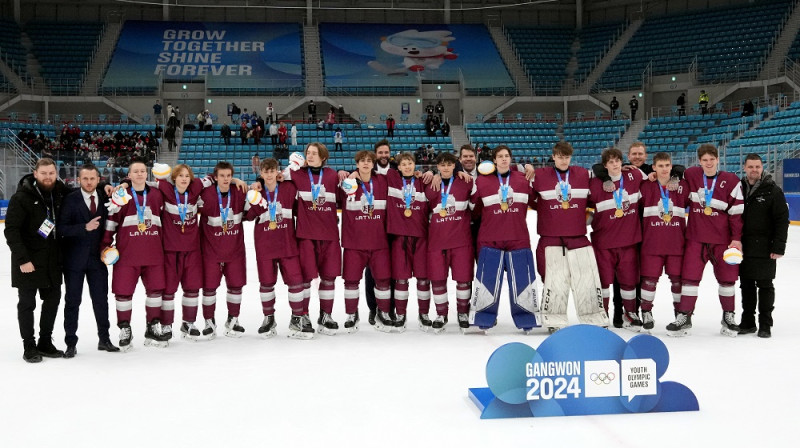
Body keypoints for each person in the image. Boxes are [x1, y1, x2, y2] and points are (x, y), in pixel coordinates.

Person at [667, 144, 743, 337]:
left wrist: (736, 239)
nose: (708, 163)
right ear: (699, 161)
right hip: (696, 238)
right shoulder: (692, 175)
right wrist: (676, 174)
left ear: (718, 159)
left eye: (712, 159)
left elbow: (736, 214)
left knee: (727, 280)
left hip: (722, 241)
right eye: (704, 160)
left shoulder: (731, 180)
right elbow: (675, 176)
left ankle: (728, 315)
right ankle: (685, 315)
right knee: (690, 279)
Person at [531, 142, 606, 332]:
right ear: (553, 156)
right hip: (550, 237)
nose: (563, 160)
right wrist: (526, 167)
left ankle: (593, 318)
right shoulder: (540, 175)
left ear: (571, 157)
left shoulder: (582, 174)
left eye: (567, 157)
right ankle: (554, 320)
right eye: (560, 156)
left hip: (577, 236)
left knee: (586, 278)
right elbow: (515, 178)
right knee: (552, 279)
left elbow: (604, 172)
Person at [5, 158, 69, 362]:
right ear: (35, 174)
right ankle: (29, 346)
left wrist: (113, 186)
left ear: (56, 173)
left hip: (52, 260)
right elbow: (11, 231)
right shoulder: (21, 197)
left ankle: (45, 342)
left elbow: (87, 188)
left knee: (52, 301)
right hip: (28, 261)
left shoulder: (61, 192)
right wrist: (22, 259)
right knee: (27, 303)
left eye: (51, 173)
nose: (48, 177)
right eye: (44, 173)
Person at [102, 159, 169, 351]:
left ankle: (153, 326)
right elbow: (112, 221)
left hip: (154, 253)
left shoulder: (157, 194)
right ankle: (125, 328)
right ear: (129, 176)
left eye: (142, 171)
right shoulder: (121, 195)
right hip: (127, 254)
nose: (140, 174)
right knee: (123, 293)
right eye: (135, 171)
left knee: (156, 291)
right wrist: (105, 245)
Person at [470, 145, 538, 333]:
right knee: (488, 280)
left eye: (507, 156)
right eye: (500, 156)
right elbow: (473, 209)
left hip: (518, 237)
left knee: (523, 281)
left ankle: (526, 319)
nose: (504, 159)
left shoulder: (523, 179)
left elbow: (538, 201)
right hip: (490, 238)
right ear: (493, 160)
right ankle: (484, 318)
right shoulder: (482, 181)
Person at [247, 158, 313, 338]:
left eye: (272, 171)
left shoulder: (289, 188)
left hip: (288, 245)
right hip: (265, 247)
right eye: (265, 172)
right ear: (261, 173)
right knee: (266, 284)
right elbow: (247, 216)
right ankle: (269, 318)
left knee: (296, 283)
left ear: (277, 171)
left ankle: (297, 317)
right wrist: (253, 198)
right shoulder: (256, 193)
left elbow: (303, 199)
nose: (269, 175)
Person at [281, 142, 342, 335]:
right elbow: (276, 177)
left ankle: (325, 315)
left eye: (315, 153)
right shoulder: (298, 173)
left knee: (329, 277)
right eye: (308, 153)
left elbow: (347, 194)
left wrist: (351, 175)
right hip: (306, 235)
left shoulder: (333, 175)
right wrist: (290, 167)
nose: (310, 156)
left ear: (323, 156)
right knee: (307, 278)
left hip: (330, 235)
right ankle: (303, 314)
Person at [59, 164, 119, 357]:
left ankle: (104, 338)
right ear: (79, 180)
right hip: (74, 261)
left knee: (101, 301)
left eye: (92, 178)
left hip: (97, 260)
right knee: (72, 302)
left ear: (98, 179)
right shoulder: (70, 200)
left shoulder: (105, 197)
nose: (89, 182)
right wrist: (84, 227)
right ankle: (70, 342)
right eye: (85, 178)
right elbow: (61, 229)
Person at [587, 148, 646, 331]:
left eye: (617, 161)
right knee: (603, 282)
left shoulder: (635, 176)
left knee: (629, 281)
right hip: (603, 242)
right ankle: (602, 315)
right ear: (605, 166)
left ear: (622, 162)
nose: (615, 164)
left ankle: (629, 314)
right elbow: (586, 209)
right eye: (611, 162)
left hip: (629, 241)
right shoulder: (594, 183)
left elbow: (656, 178)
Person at [338, 150, 393, 333]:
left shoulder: (382, 181)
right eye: (362, 161)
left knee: (383, 281)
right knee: (351, 281)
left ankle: (383, 312)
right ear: (357, 163)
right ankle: (352, 314)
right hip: (354, 243)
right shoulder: (348, 183)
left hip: (379, 242)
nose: (366, 163)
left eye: (369, 160)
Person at [738, 154, 789, 338]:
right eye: (750, 167)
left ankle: (765, 324)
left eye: (757, 167)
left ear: (762, 168)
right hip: (743, 246)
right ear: (744, 167)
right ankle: (748, 322)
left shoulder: (773, 190)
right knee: (746, 285)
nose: (754, 170)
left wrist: (779, 246)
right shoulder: (738, 188)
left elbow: (782, 220)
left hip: (766, 247)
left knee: (765, 285)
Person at [423, 152, 474, 333]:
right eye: (442, 165)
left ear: (455, 165)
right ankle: (441, 314)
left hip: (461, 240)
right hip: (437, 241)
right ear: (437, 166)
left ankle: (463, 313)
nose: (445, 167)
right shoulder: (429, 185)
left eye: (449, 164)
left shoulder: (466, 182)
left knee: (463, 279)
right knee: (437, 280)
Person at [198, 161, 250, 338]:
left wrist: (239, 181)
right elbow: (188, 190)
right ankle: (209, 322)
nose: (226, 179)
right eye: (222, 176)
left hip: (234, 250)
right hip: (210, 251)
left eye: (229, 175)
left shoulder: (240, 191)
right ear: (215, 177)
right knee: (209, 287)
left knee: (236, 286)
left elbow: (251, 209)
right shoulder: (205, 193)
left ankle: (233, 319)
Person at [638, 152, 690, 331]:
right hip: (651, 243)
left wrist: (677, 174)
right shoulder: (645, 186)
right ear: (653, 167)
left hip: (676, 243)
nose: (664, 169)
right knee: (649, 280)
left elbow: (693, 175)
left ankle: (680, 314)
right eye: (660, 166)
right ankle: (646, 312)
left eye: (667, 165)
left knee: (677, 280)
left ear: (671, 166)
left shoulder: (682, 186)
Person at [385, 152, 430, 331]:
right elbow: (380, 166)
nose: (407, 166)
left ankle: (424, 313)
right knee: (401, 279)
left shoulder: (423, 181)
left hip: (420, 237)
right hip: (399, 237)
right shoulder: (392, 178)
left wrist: (428, 174)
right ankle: (401, 314)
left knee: (423, 279)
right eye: (403, 164)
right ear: (398, 167)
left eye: (410, 163)